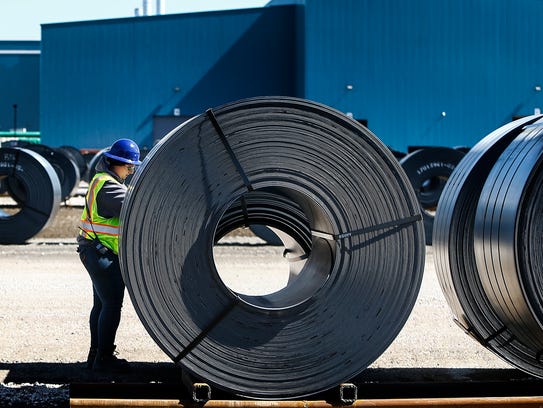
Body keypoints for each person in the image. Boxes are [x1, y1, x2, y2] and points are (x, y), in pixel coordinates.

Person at [76, 138, 141, 372]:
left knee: (101, 305)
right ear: (117, 163)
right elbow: (138, 207)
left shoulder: (101, 180)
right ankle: (103, 359)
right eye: (130, 167)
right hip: (100, 254)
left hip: (94, 252)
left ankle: (95, 355)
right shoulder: (110, 187)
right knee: (112, 305)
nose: (130, 171)